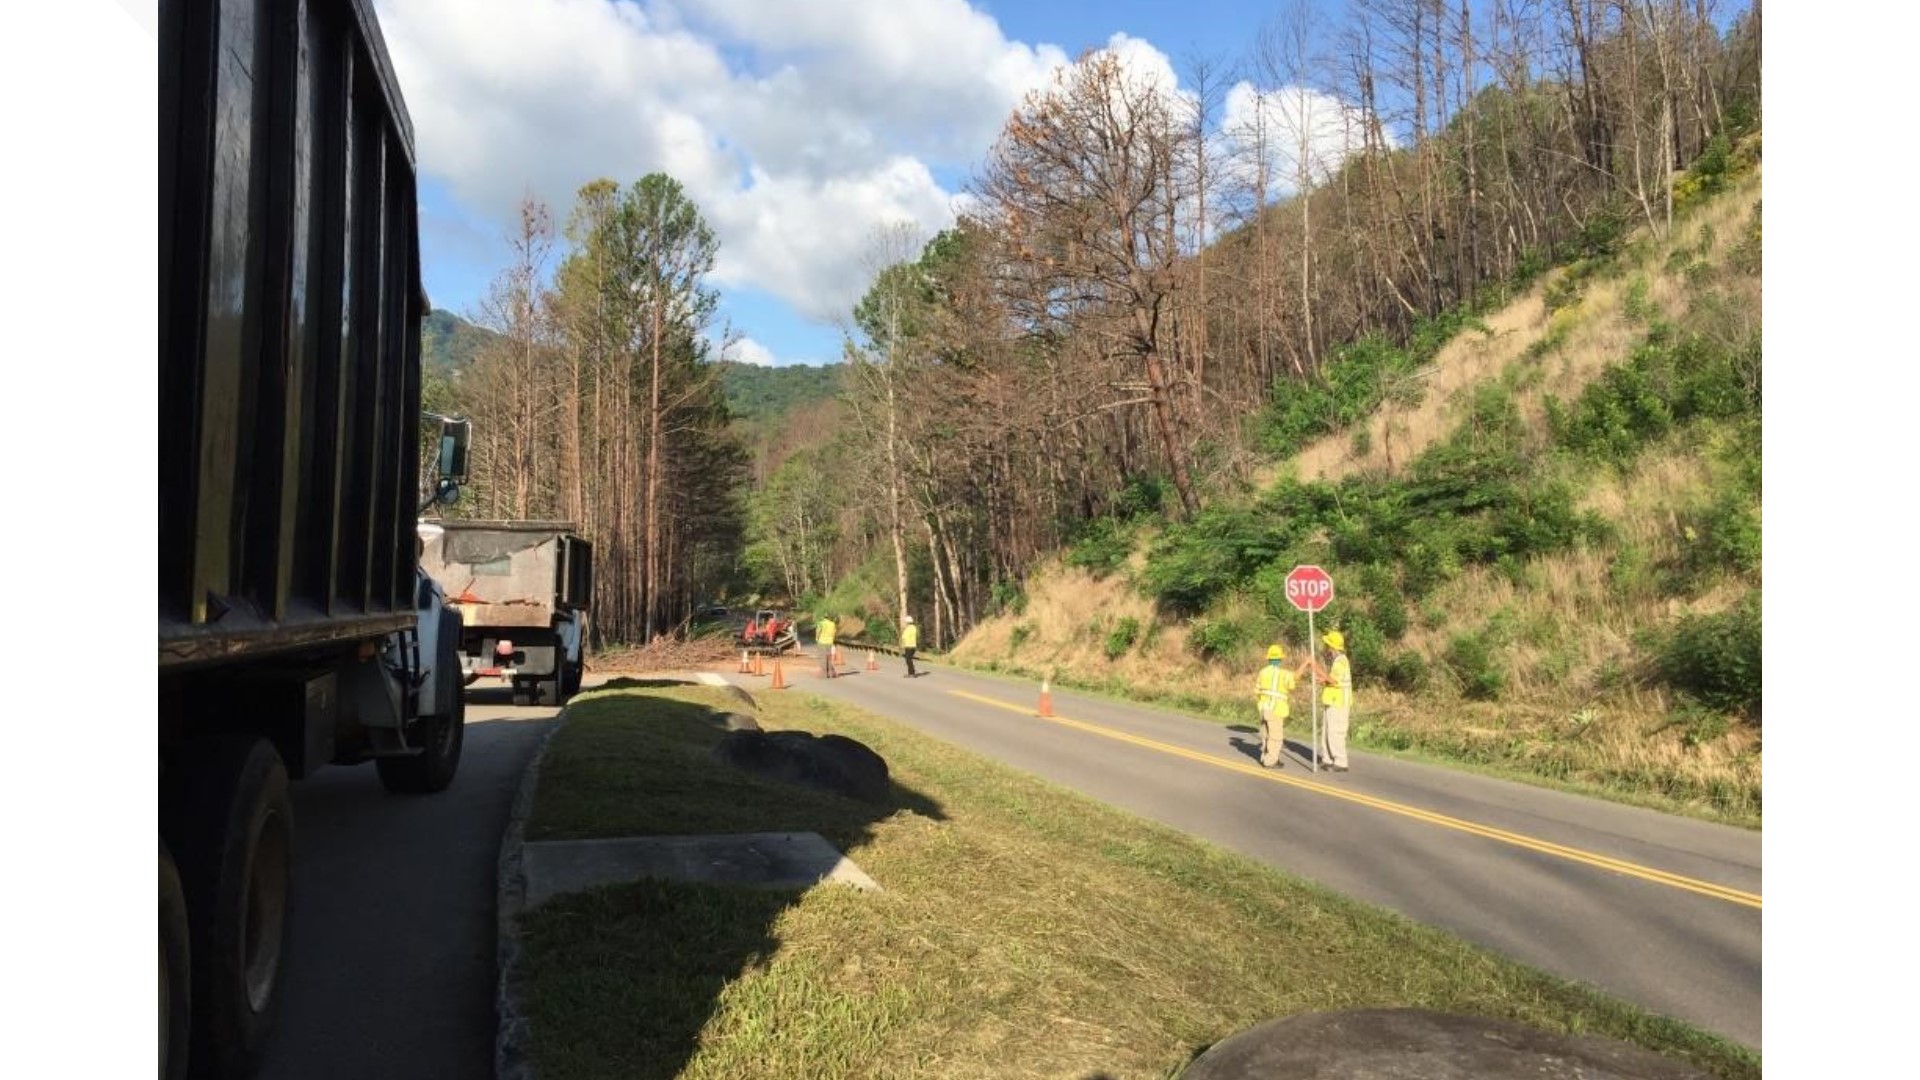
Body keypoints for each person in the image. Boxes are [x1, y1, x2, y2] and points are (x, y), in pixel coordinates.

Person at [1255, 644, 1310, 768]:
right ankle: (1271, 761)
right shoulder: (1282, 673)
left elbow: (1257, 691)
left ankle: (1265, 757)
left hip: (1264, 708)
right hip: (1276, 709)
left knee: (1266, 735)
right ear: (1280, 659)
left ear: (1269, 659)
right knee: (1275, 737)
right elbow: (1295, 677)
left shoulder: (1262, 672)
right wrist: (1306, 663)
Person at [1308, 630, 1354, 772]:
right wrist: (1323, 680)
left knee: (1336, 732)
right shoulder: (1337, 661)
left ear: (1333, 647)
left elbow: (1334, 680)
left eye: (1328, 645)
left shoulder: (1341, 661)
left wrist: (1315, 667)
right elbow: (1334, 682)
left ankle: (1340, 761)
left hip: (1339, 702)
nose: (1327, 648)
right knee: (1327, 731)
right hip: (1332, 700)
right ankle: (1327, 758)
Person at [817, 613, 838, 678]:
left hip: (822, 641)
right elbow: (834, 632)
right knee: (829, 657)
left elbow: (818, 631)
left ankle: (825, 673)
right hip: (830, 642)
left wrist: (817, 638)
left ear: (824, 617)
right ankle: (831, 672)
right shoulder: (832, 624)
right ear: (829, 618)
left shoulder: (821, 623)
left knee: (823, 658)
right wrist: (833, 640)